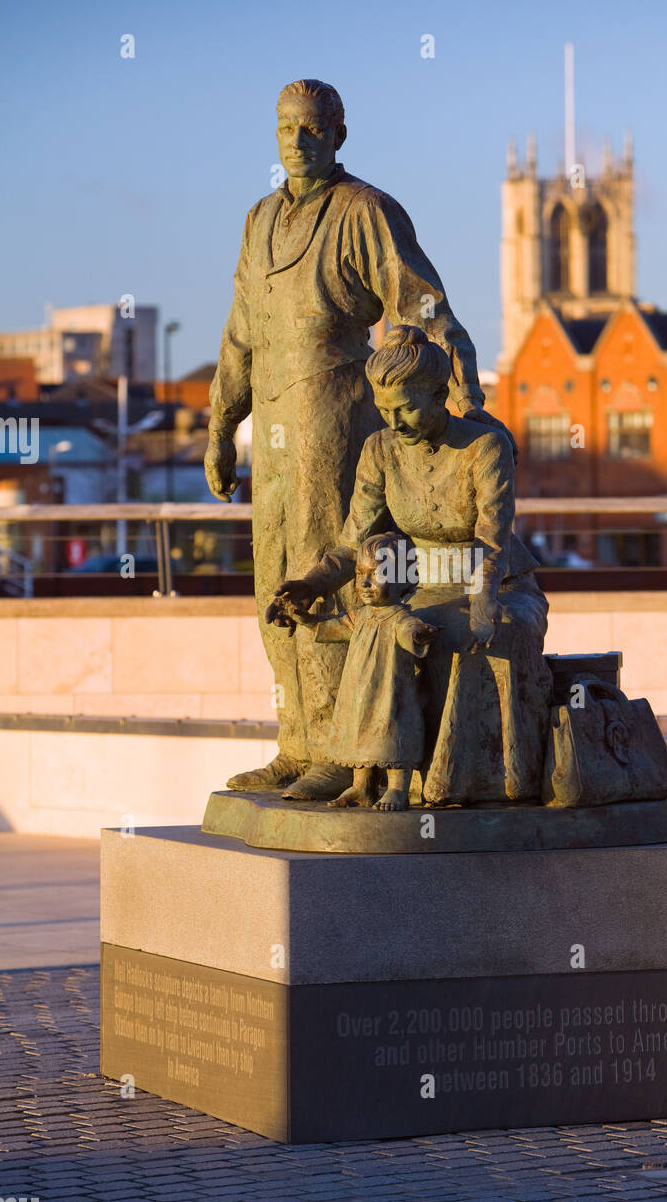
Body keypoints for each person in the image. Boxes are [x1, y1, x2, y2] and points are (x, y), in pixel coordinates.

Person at [205, 78, 500, 799]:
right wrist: (220, 425)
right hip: (271, 434)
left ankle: (343, 750)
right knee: (274, 582)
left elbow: (420, 298)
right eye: (285, 130)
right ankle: (296, 743)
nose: (297, 143)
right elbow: (241, 332)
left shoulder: (365, 210)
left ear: (338, 134)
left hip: (333, 414)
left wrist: (461, 379)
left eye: (311, 130)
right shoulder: (258, 220)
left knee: (329, 571)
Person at [269, 326, 551, 806]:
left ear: (440, 394)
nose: (394, 421)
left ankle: (467, 784)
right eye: (384, 410)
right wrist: (309, 585)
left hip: (498, 586)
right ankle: (369, 775)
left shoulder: (485, 447)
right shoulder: (380, 450)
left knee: (464, 636)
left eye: (406, 407)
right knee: (375, 633)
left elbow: (491, 539)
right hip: (416, 589)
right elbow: (350, 543)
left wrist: (483, 600)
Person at [270, 533, 437, 811]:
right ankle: (361, 787)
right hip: (360, 695)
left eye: (377, 574)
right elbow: (330, 625)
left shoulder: (399, 617)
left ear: (403, 578)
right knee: (360, 735)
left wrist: (419, 634)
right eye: (361, 574)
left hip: (389, 694)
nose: (366, 583)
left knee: (392, 734)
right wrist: (304, 617)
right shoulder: (360, 616)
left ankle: (397, 789)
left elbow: (411, 632)